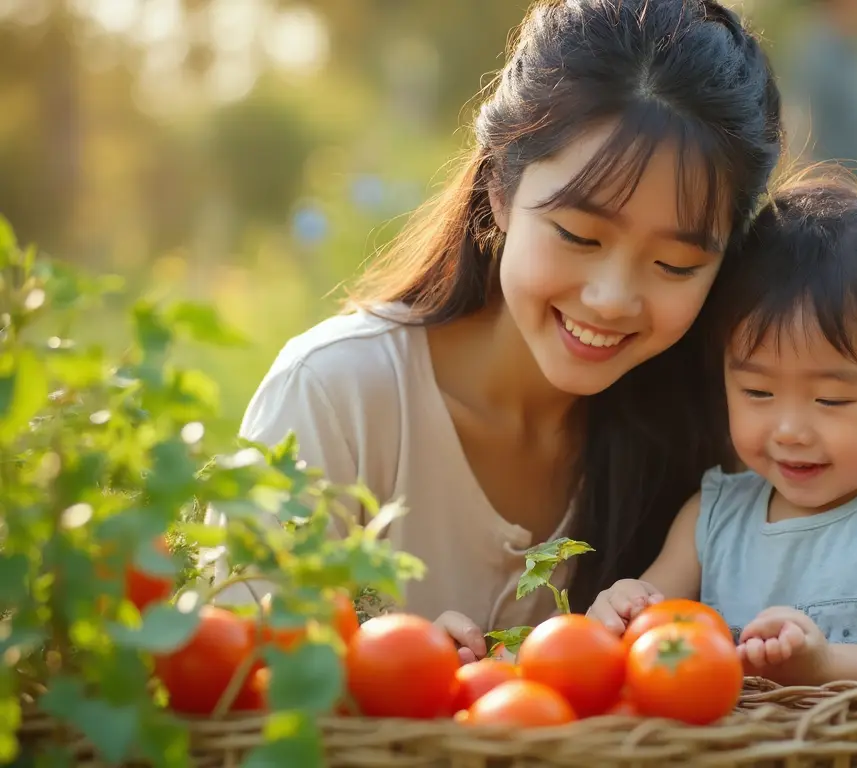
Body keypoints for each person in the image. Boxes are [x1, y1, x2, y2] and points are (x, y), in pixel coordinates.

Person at [210, 0, 783, 664]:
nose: (611, 300)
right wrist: (392, 671)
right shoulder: (337, 396)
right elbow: (240, 688)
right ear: (502, 188)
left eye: (675, 264)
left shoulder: (720, 432)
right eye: (579, 235)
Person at [586, 165, 857, 766]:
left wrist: (826, 666)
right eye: (756, 392)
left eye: (831, 400)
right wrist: (620, 611)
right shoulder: (713, 516)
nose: (789, 430)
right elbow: (654, 625)